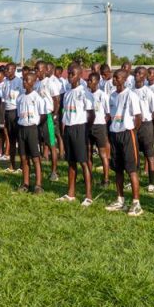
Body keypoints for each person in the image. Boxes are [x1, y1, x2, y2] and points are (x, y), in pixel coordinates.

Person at [105, 71, 144, 216]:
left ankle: (136, 203)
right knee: (118, 169)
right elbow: (111, 116)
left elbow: (138, 117)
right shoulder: (112, 96)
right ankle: (120, 200)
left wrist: (132, 131)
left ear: (125, 79)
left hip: (127, 134)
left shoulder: (131, 95)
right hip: (115, 134)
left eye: (117, 77)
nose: (114, 79)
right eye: (114, 77)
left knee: (131, 169)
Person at [58, 66, 94, 206]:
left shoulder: (84, 92)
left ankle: (88, 196)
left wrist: (85, 128)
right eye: (69, 74)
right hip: (69, 128)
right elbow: (65, 113)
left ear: (79, 75)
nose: (69, 76)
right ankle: (71, 193)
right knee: (71, 161)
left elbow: (91, 114)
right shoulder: (67, 93)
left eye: (72, 74)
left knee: (83, 161)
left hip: (80, 127)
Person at [16, 71, 46, 194]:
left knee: (35, 157)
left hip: (32, 129)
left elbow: (43, 114)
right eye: (23, 80)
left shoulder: (37, 97)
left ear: (33, 82)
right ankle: (25, 183)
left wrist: (36, 124)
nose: (24, 82)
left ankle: (38, 185)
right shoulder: (20, 97)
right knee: (24, 157)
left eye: (27, 80)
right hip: (22, 128)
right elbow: (19, 114)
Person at [133, 67, 154, 194]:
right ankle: (134, 179)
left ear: (144, 77)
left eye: (140, 73)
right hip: (133, 126)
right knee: (134, 154)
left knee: (149, 154)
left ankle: (152, 183)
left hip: (146, 125)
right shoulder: (130, 91)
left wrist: (148, 121)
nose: (137, 75)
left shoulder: (148, 92)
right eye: (136, 73)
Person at [86, 72, 111, 186]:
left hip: (99, 126)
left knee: (102, 153)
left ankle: (106, 179)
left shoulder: (102, 95)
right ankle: (89, 178)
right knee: (88, 153)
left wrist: (101, 122)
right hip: (87, 126)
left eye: (91, 80)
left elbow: (108, 113)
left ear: (96, 82)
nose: (88, 82)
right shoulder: (85, 94)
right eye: (88, 80)